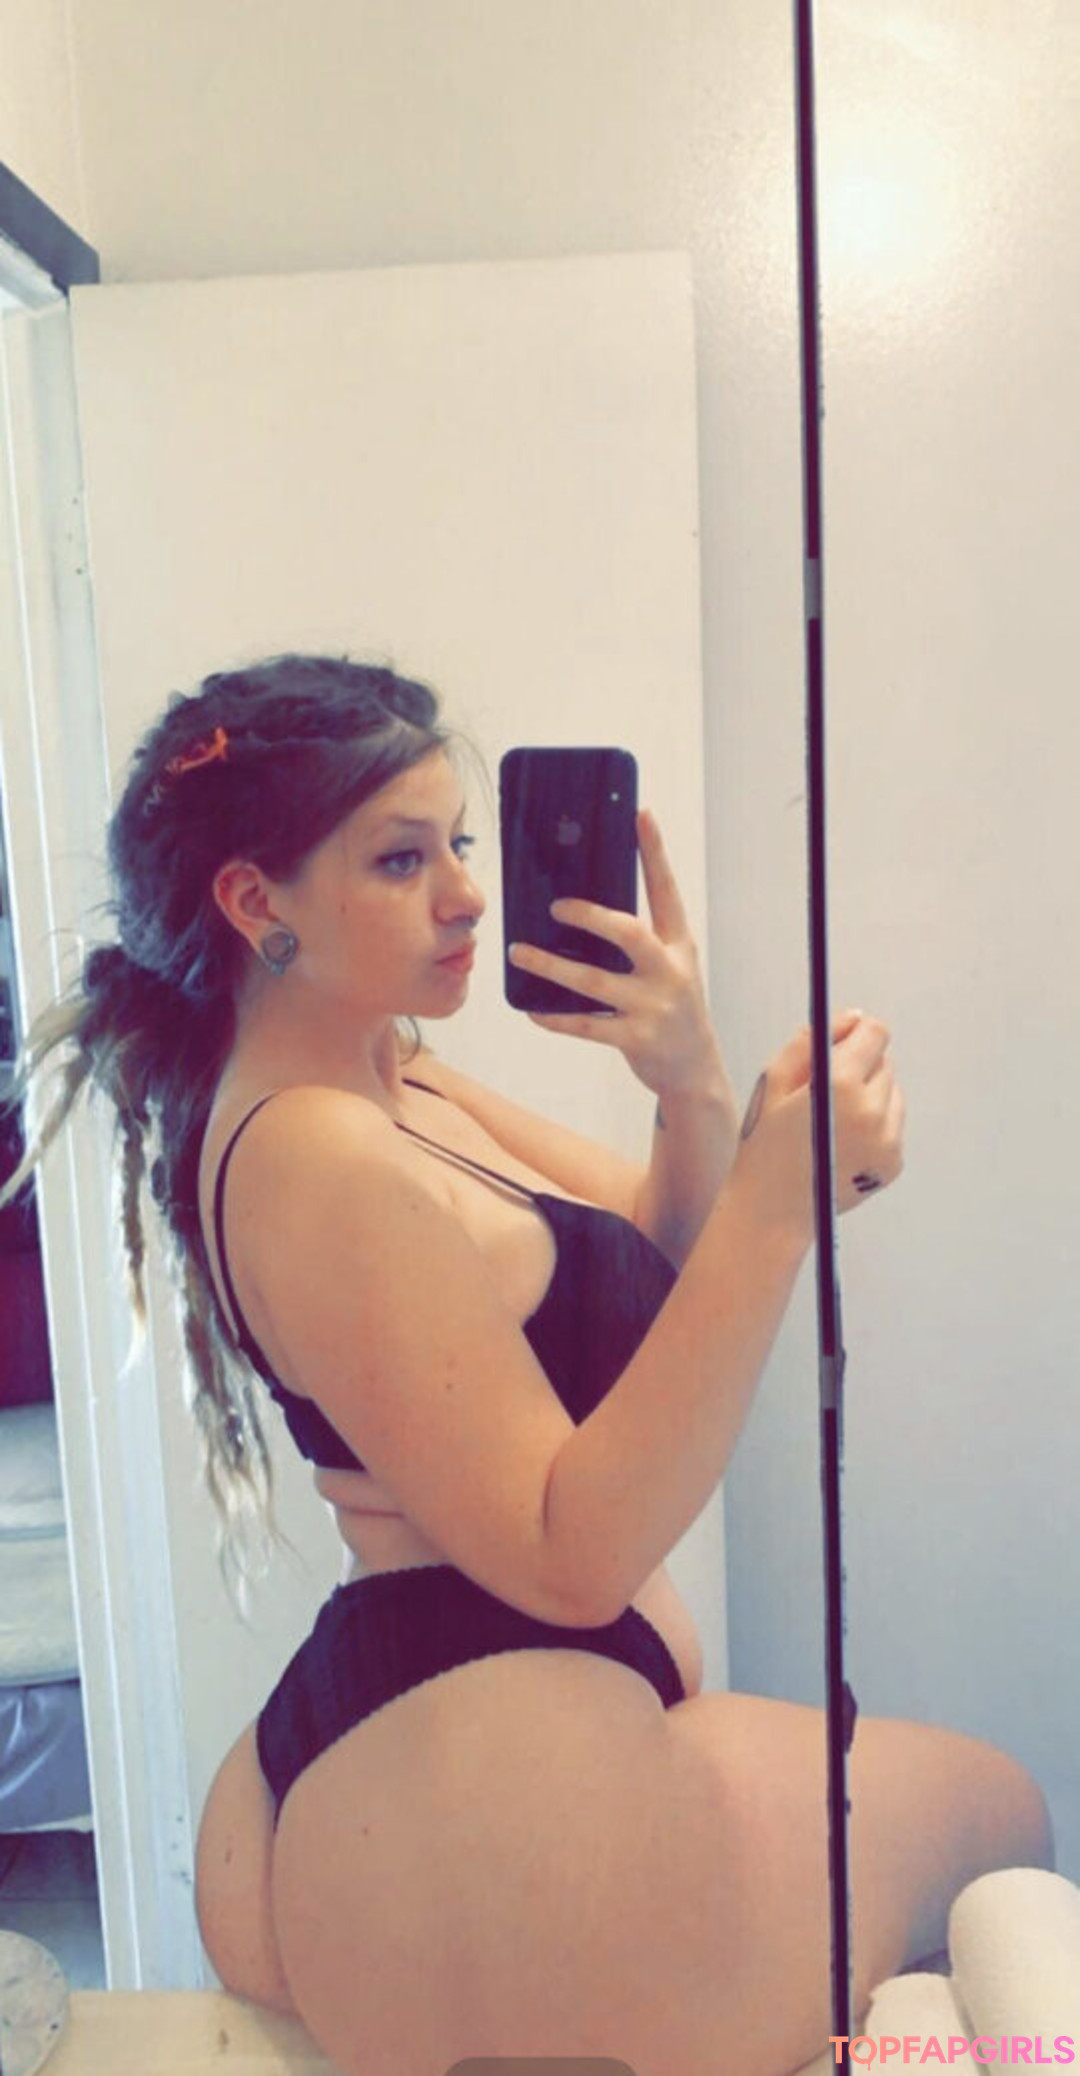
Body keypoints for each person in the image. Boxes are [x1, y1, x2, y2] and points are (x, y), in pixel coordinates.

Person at [0, 652, 1052, 2076]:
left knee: (983, 1853)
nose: (468, 896)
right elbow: (571, 1557)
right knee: (1009, 1821)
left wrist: (689, 1078)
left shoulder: (386, 1073)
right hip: (493, 1794)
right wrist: (780, 1202)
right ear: (256, 903)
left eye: (460, 844)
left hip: (450, 1733)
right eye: (401, 859)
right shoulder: (313, 1153)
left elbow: (657, 1261)